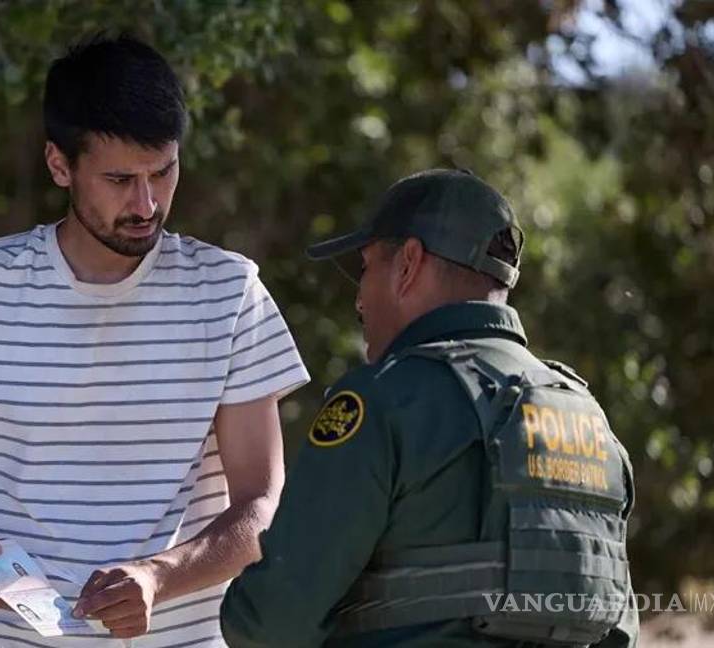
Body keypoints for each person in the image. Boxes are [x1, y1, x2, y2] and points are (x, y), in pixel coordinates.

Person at [0, 34, 309, 647]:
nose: (147, 202)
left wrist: (158, 578)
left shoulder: (229, 292)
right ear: (59, 165)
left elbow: (261, 505)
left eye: (164, 171)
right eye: (119, 179)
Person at [220, 169, 639, 647]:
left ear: (408, 265)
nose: (359, 298)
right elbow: (618, 628)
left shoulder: (382, 401)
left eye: (365, 269)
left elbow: (269, 621)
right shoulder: (588, 418)